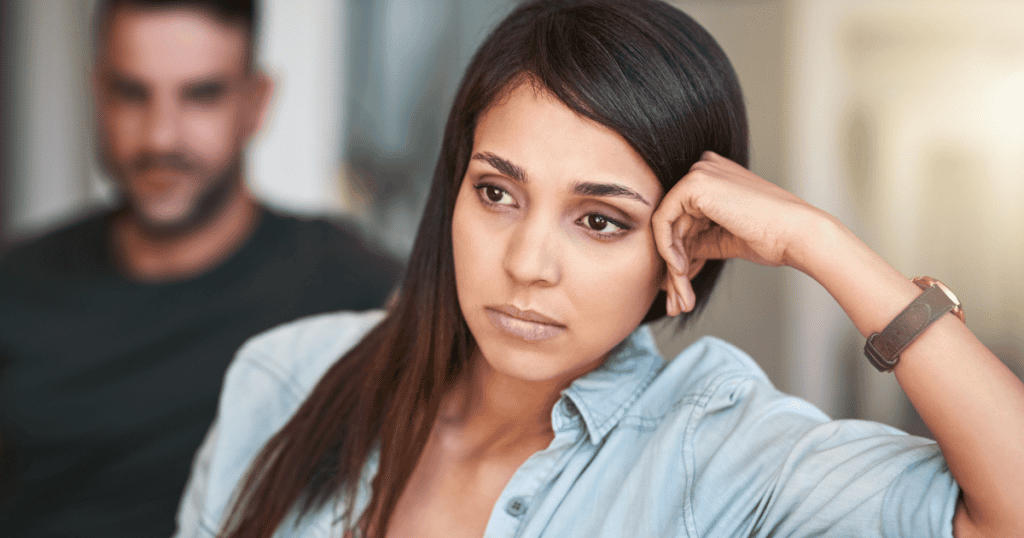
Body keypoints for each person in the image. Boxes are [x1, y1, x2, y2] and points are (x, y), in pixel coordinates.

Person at [175, 0, 1024, 536]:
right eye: (498, 194)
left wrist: (823, 243)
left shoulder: (715, 449)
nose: (527, 263)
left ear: (679, 249)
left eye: (599, 220)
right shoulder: (286, 377)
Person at [0, 1, 401, 536]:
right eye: (132, 93)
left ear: (256, 103)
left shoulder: (360, 293)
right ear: (98, 94)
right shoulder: (15, 289)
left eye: (201, 95)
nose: (161, 138)